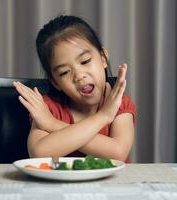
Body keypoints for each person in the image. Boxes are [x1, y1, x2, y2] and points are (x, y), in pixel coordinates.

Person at [13, 15, 136, 161]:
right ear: (55, 82)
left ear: (103, 57)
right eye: (64, 72)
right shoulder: (47, 108)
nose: (79, 76)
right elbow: (39, 152)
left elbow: (118, 152)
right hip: (59, 184)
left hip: (113, 184)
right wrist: (103, 117)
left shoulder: (119, 104)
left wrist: (52, 124)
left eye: (85, 61)